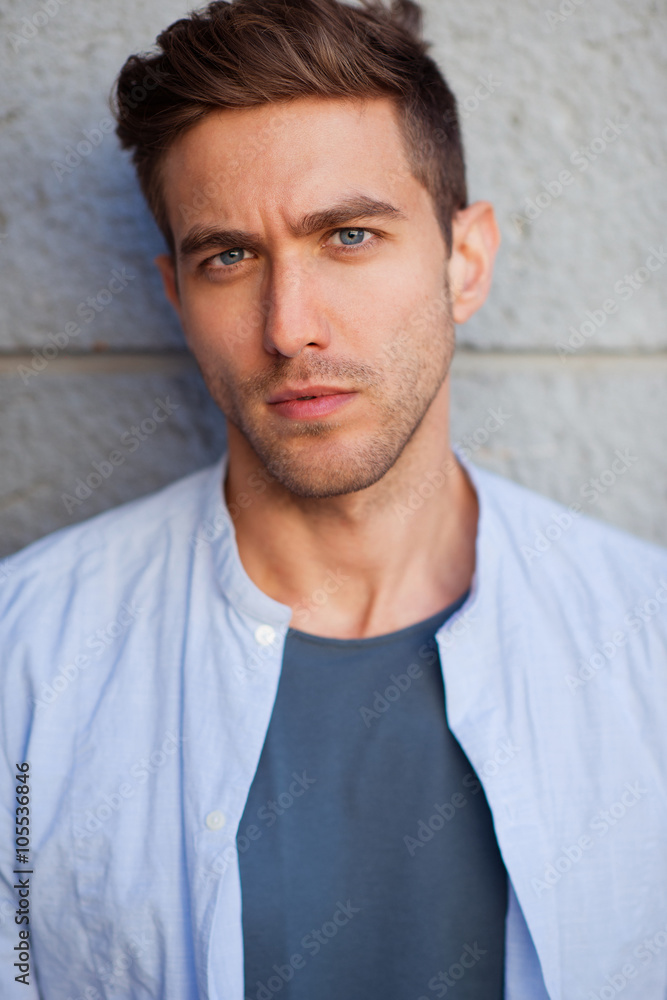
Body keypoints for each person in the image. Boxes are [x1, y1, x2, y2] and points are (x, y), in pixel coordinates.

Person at [1, 0, 666, 997]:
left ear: (464, 262)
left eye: (348, 235)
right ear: (176, 297)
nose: (289, 327)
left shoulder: (645, 641)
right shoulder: (26, 661)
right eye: (228, 256)